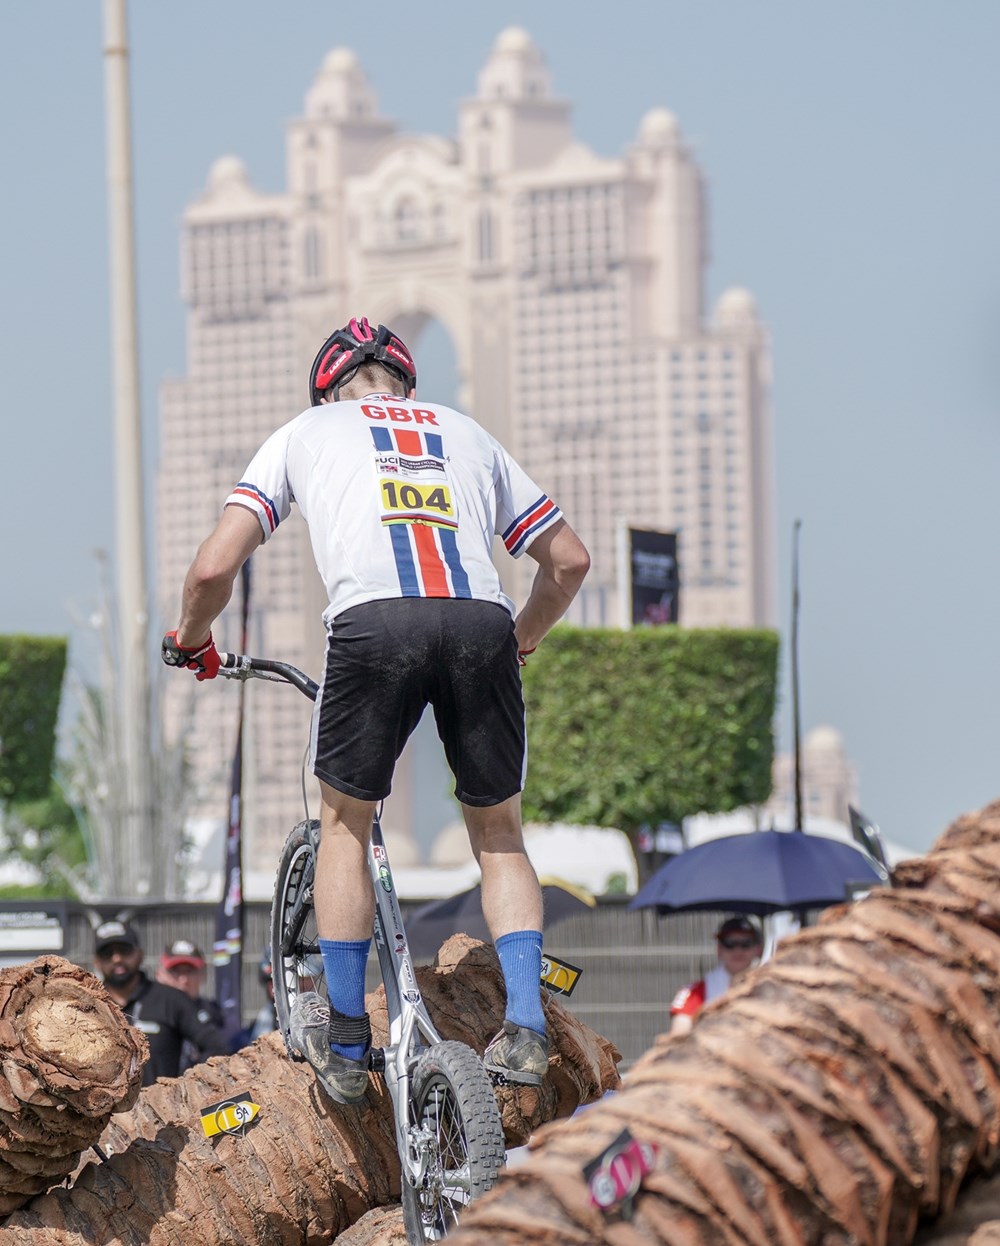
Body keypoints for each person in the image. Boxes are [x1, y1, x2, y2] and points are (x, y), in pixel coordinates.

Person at [162, 316, 590, 1104]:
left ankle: (349, 1035)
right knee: (499, 834)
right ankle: (527, 1025)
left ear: (327, 388)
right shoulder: (465, 432)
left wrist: (192, 641)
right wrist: (521, 637)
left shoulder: (306, 431)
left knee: (345, 824)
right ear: (406, 387)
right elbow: (569, 560)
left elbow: (211, 568)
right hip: (479, 621)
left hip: (374, 624)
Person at [93, 920, 230, 1084]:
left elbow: (217, 1047)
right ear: (96, 962)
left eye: (125, 950)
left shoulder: (171, 999)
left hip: (158, 1107)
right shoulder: (88, 1005)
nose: (117, 958)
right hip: (102, 1107)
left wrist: (188, 1086)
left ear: (140, 954)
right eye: (107, 953)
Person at [669, 915, 763, 1036]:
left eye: (746, 943)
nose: (738, 951)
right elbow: (678, 1035)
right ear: (719, 950)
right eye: (729, 943)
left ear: (759, 949)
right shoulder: (695, 993)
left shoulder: (772, 988)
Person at [155, 939, 227, 1070]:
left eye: (190, 971)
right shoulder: (146, 1011)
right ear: (159, 975)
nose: (184, 980)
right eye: (175, 971)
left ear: (203, 974)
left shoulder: (217, 1017)